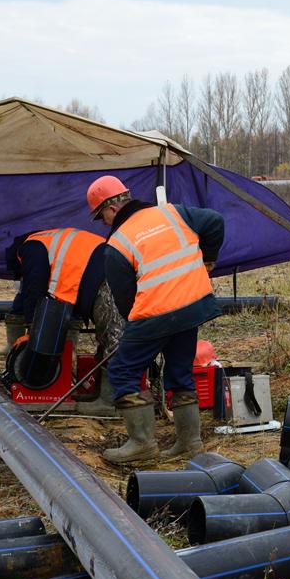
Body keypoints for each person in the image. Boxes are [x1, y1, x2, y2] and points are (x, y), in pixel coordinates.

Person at [87, 175, 224, 463]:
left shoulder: (117, 244)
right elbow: (214, 221)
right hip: (193, 304)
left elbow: (125, 300)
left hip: (156, 313)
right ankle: (189, 443)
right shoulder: (173, 213)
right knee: (180, 371)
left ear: (111, 209)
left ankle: (142, 444)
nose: (104, 224)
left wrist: (138, 334)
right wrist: (207, 260)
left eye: (101, 218)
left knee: (123, 371)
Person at [4, 227, 124, 414]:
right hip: (103, 271)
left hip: (107, 277)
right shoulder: (47, 241)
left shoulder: (30, 248)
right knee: (107, 339)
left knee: (113, 339)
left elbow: (33, 289)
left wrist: (30, 332)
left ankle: (108, 403)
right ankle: (99, 395)